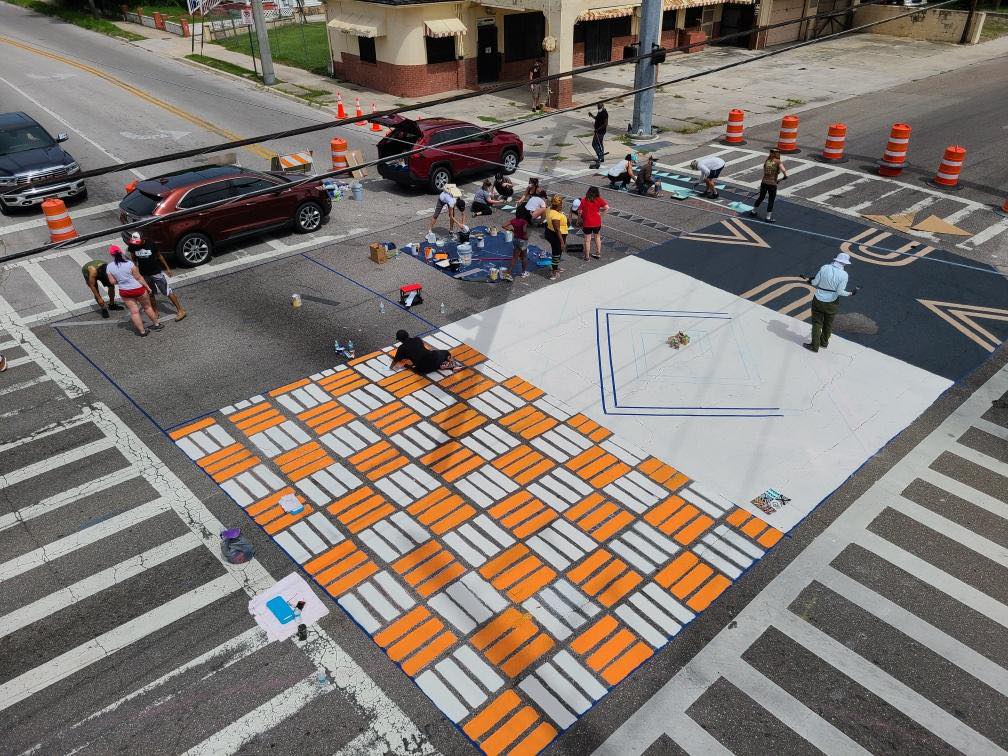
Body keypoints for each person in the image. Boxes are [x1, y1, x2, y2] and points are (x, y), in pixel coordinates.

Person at [803, 252, 859, 353]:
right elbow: (840, 292)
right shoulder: (844, 275)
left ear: (836, 260)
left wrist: (809, 280)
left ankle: (814, 346)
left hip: (819, 299)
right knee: (828, 323)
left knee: (817, 323)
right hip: (832, 302)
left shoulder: (825, 267)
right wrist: (851, 293)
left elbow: (815, 282)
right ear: (845, 263)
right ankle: (824, 343)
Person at [126, 231, 186, 322]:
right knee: (151, 293)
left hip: (156, 272)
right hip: (144, 274)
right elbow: (134, 259)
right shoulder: (133, 246)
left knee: (167, 291)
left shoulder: (151, 244)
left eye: (138, 242)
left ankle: (180, 310)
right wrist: (136, 272)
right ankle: (155, 311)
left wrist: (167, 268)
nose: (136, 244)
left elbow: (159, 256)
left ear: (143, 238)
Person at [105, 245, 162, 337]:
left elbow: (112, 282)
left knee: (134, 312)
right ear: (120, 252)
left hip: (125, 291)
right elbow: (138, 277)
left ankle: (142, 332)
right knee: (147, 307)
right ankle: (157, 324)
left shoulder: (109, 267)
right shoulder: (129, 263)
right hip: (138, 289)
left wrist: (120, 279)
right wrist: (147, 287)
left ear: (111, 255)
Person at [391, 329, 463, 373]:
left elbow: (395, 361)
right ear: (408, 335)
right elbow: (418, 349)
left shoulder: (401, 348)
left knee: (422, 364)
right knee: (446, 353)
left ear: (400, 340)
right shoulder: (417, 339)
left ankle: (441, 366)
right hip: (433, 358)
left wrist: (391, 368)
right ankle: (452, 365)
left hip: (422, 369)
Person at [748, 148, 787, 223]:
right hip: (772, 184)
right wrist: (785, 176)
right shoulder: (778, 162)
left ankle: (753, 211)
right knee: (771, 200)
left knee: (761, 197)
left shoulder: (767, 161)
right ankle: (768, 218)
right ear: (777, 154)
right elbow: (783, 170)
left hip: (764, 182)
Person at [578, 186, 608, 261]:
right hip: (597, 222)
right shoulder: (599, 199)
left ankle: (587, 257)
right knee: (597, 238)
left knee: (587, 240)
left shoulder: (584, 200)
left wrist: (579, 219)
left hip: (587, 223)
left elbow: (580, 212)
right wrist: (601, 214)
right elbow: (607, 207)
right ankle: (598, 253)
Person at [544, 194, 568, 281]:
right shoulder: (555, 216)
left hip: (550, 232)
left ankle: (556, 267)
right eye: (561, 203)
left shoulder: (549, 209)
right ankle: (554, 272)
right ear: (558, 204)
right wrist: (562, 242)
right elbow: (557, 229)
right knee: (556, 253)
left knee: (557, 252)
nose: (562, 205)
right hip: (557, 236)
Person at [589, 103, 608, 168]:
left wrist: (597, 129)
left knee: (594, 144)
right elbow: (597, 118)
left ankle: (599, 157)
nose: (598, 109)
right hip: (598, 131)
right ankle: (602, 158)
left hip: (600, 132)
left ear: (603, 106)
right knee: (600, 143)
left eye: (599, 108)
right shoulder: (600, 112)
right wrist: (591, 115)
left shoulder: (605, 113)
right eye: (598, 108)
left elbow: (605, 124)